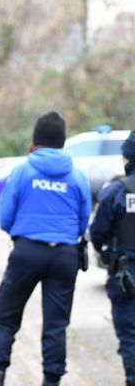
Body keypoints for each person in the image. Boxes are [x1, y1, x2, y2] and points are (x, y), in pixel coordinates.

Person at [0, 112, 91, 386]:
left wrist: (23, 235)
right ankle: (51, 380)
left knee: (6, 316)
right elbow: (82, 221)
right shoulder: (77, 176)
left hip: (27, 252)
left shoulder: (22, 171)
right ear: (62, 143)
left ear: (35, 141)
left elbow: (5, 216)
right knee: (56, 324)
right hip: (65, 255)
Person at [89, 130, 135, 386]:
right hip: (125, 273)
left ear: (128, 158)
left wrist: (107, 254)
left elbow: (97, 233)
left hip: (126, 276)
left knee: (130, 334)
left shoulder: (116, 190)